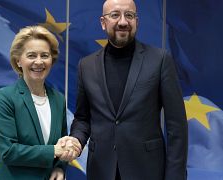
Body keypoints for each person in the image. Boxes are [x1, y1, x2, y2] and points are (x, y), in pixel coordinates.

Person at [59, 0, 188, 179]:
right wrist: (76, 140)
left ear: (137, 21)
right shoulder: (86, 66)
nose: (123, 22)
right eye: (115, 15)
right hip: (101, 171)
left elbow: (177, 127)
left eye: (129, 15)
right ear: (103, 23)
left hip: (147, 171)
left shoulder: (160, 60)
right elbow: (82, 118)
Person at [0, 25, 78, 180]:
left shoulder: (58, 99)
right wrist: (53, 151)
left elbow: (60, 145)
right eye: (31, 55)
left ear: (52, 60)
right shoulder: (5, 97)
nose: (39, 62)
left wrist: (59, 168)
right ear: (18, 61)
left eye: (44, 55)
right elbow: (8, 152)